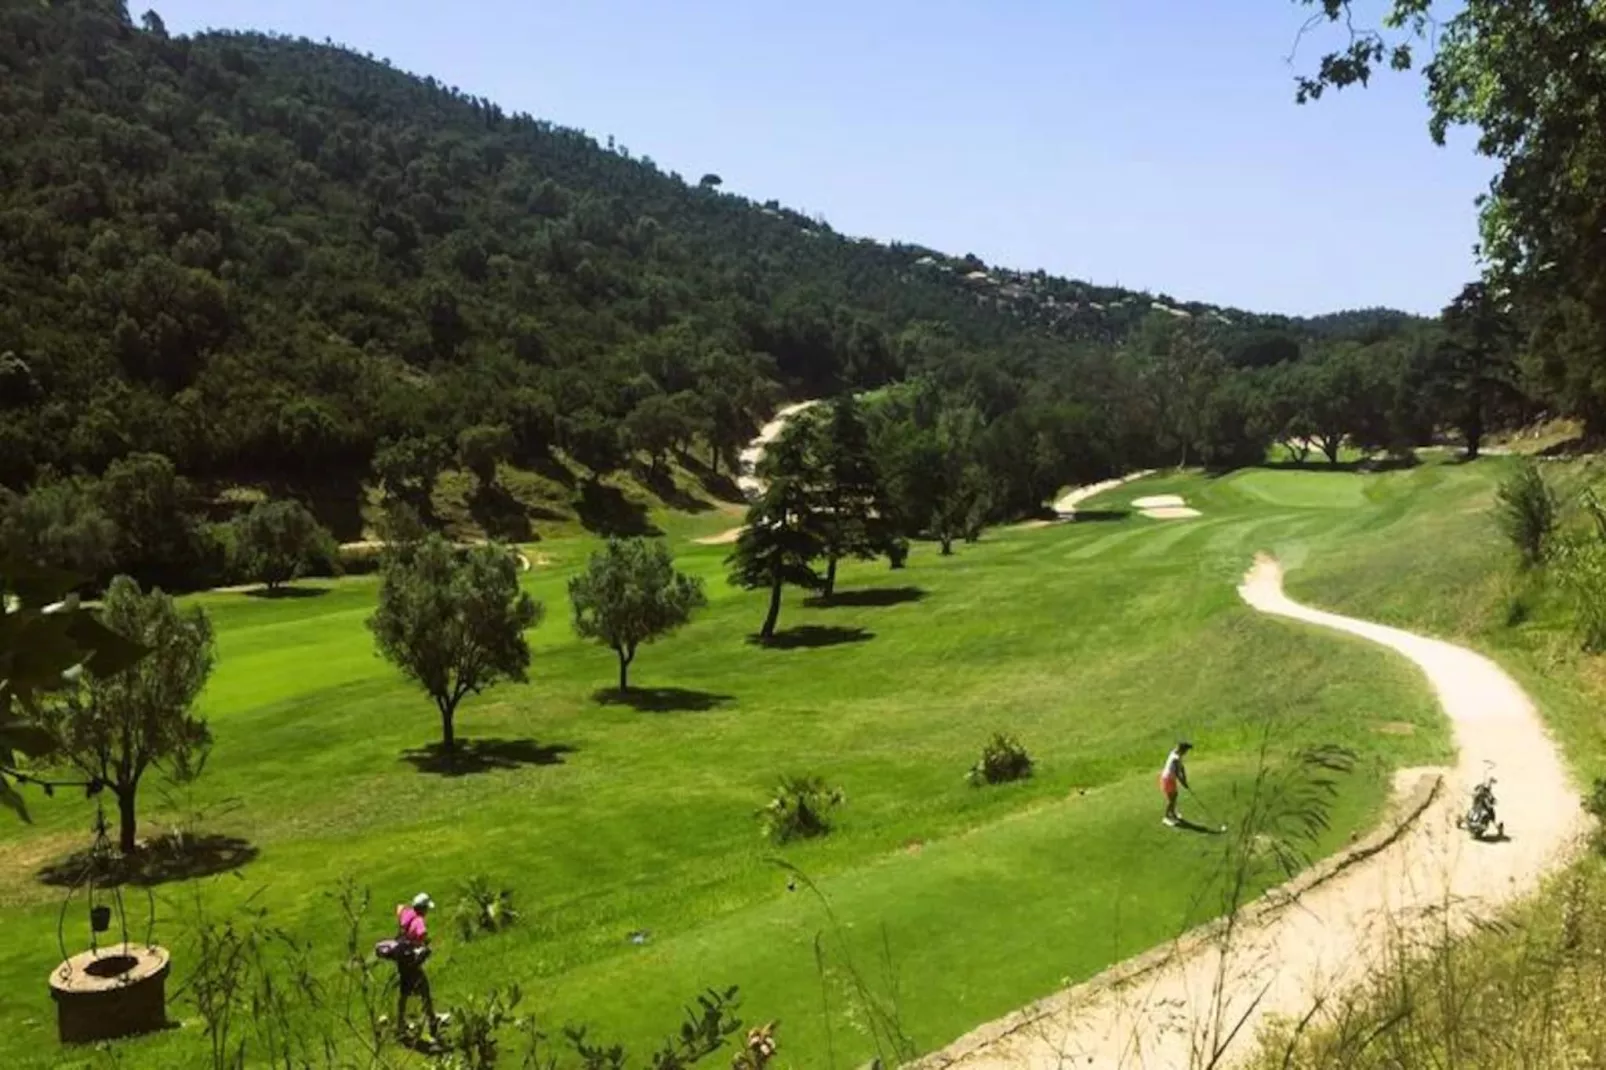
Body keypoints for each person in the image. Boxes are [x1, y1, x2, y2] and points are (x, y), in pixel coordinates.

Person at [394, 892, 440, 1039]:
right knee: (424, 990)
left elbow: (399, 908)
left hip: (402, 960)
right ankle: (432, 1022)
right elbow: (422, 935)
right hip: (412, 962)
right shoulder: (419, 921)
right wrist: (425, 943)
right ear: (423, 908)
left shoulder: (406, 914)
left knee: (404, 993)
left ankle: (400, 1023)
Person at [1159, 741, 1192, 826]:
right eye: (1186, 750)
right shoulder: (1175, 758)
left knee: (1175, 795)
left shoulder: (1176, 753)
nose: (1186, 752)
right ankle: (1166, 817)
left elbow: (1182, 768)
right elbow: (1177, 773)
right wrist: (1183, 783)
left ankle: (1173, 814)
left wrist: (1185, 779)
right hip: (1167, 779)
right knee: (1171, 799)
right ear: (1182, 750)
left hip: (1170, 778)